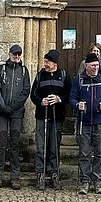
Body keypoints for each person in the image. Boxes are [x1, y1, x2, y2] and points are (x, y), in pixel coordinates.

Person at [0, 44, 31, 191]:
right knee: (1, 141)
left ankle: (15, 176)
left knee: (15, 143)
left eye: (18, 54)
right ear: (10, 54)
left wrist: (13, 107)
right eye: (14, 54)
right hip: (2, 112)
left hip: (16, 112)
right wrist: (3, 107)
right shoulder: (1, 69)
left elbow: (25, 91)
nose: (16, 57)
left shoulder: (24, 71)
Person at [70, 51, 101, 195]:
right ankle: (85, 181)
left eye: (97, 65)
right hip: (84, 121)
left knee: (99, 153)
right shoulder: (80, 79)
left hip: (99, 121)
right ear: (86, 66)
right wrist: (77, 105)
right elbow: (72, 97)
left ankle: (98, 180)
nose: (95, 68)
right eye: (93, 65)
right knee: (84, 153)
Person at [30, 48, 71, 190]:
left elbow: (70, 95)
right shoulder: (40, 75)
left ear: (55, 63)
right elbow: (33, 94)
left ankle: (54, 173)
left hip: (57, 117)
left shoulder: (64, 75)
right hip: (42, 116)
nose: (45, 64)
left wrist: (59, 99)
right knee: (41, 146)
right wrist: (40, 101)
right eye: (45, 61)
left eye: (48, 61)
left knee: (54, 146)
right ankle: (40, 174)